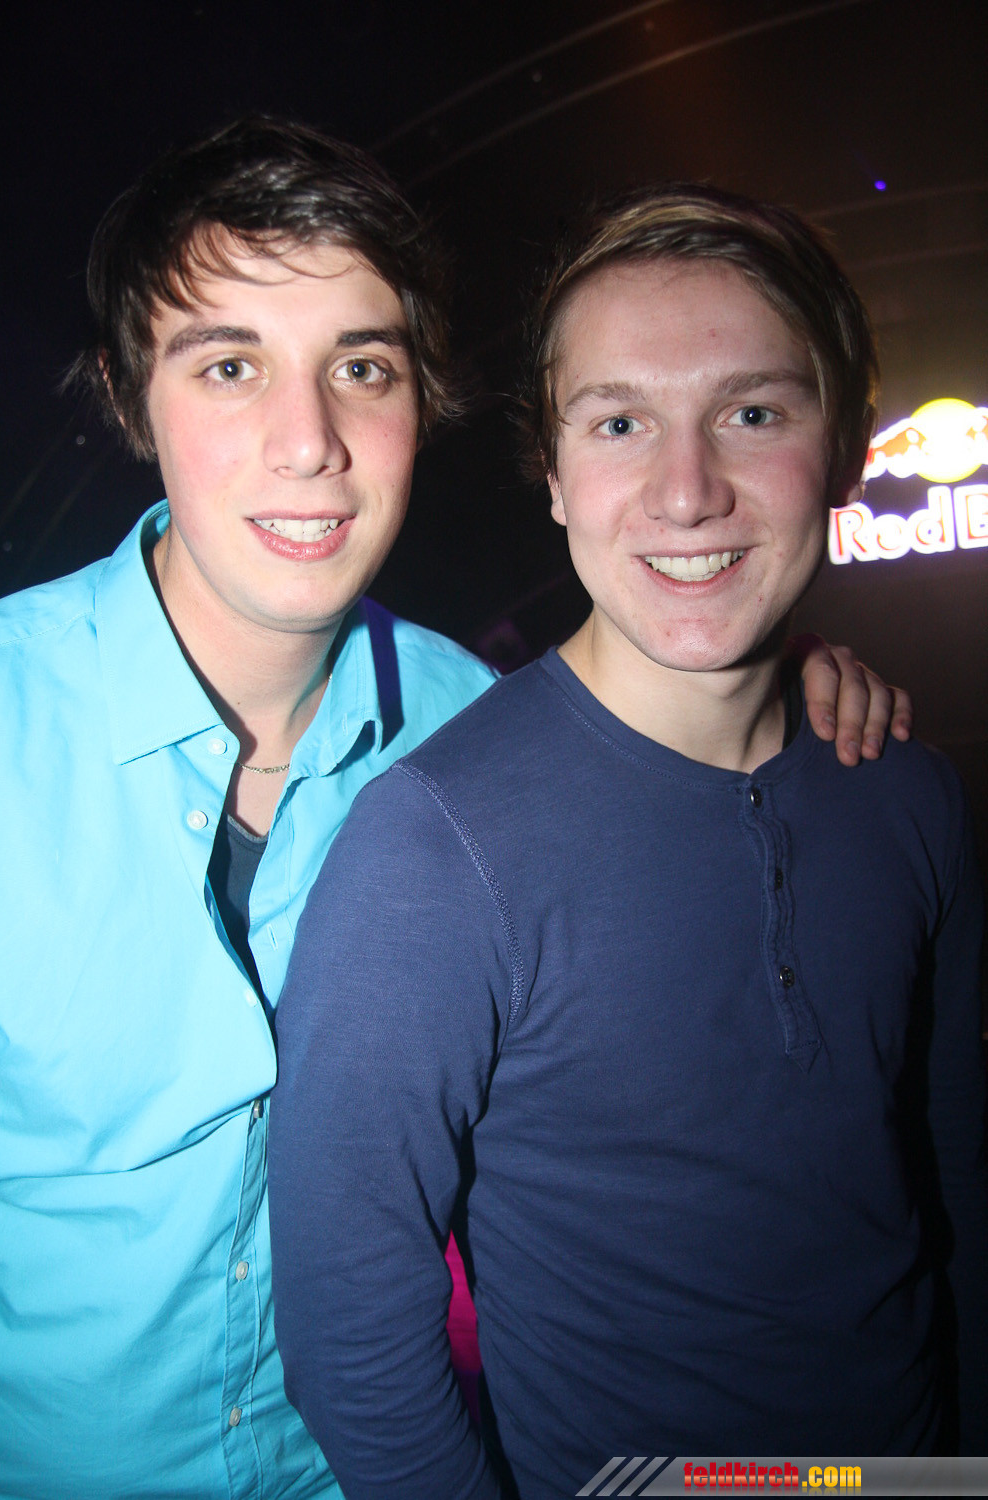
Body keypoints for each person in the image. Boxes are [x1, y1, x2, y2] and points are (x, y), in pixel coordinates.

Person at [0, 119, 903, 1499]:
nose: (309, 443)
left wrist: (784, 675)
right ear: (131, 398)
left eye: (360, 368)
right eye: (230, 366)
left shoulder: (473, 732)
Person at [270, 183, 987, 1500]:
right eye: (618, 423)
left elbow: (956, 1181)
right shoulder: (433, 850)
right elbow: (351, 1334)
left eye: (753, 414)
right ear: (552, 478)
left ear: (844, 450)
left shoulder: (910, 796)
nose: (687, 491)